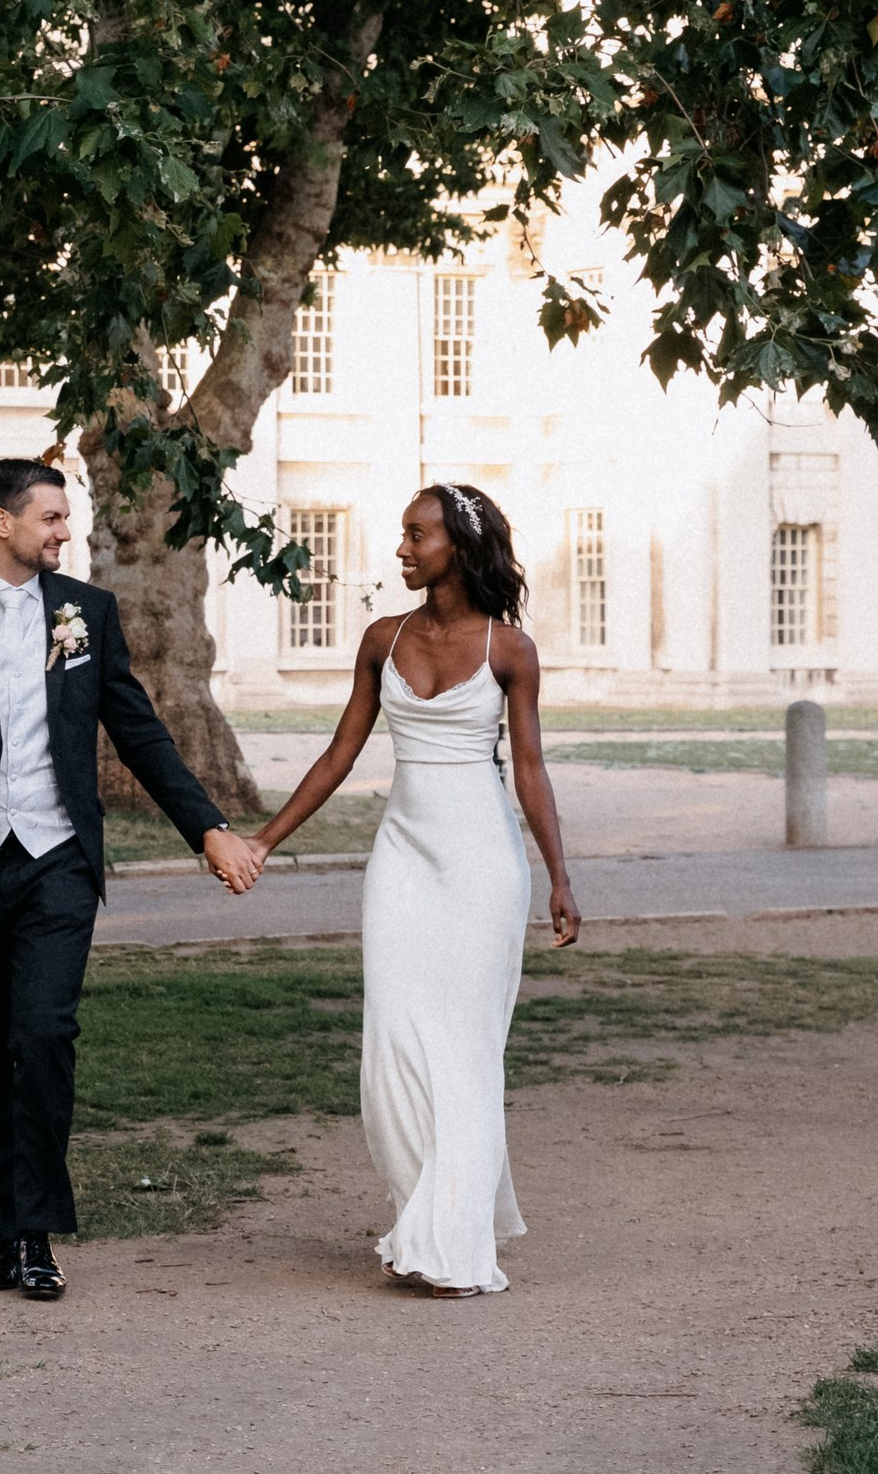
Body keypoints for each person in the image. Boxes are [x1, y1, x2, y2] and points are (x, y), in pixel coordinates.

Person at [0, 456, 264, 1301]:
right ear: (2, 522)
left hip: (57, 862)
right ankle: (6, 1232)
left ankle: (39, 1232)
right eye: (51, 517)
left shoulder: (85, 612)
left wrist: (208, 828)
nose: (65, 530)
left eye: (65, 516)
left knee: (45, 1032)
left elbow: (139, 730)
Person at [247, 483, 578, 1298]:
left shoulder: (510, 649)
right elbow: (339, 754)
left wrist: (559, 877)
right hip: (401, 858)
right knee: (391, 1047)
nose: (401, 547)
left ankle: (450, 1242)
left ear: (458, 547)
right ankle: (420, 1213)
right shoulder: (381, 639)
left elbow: (530, 769)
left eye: (416, 534)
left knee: (465, 1052)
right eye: (402, 533)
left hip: (483, 863)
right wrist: (262, 839)